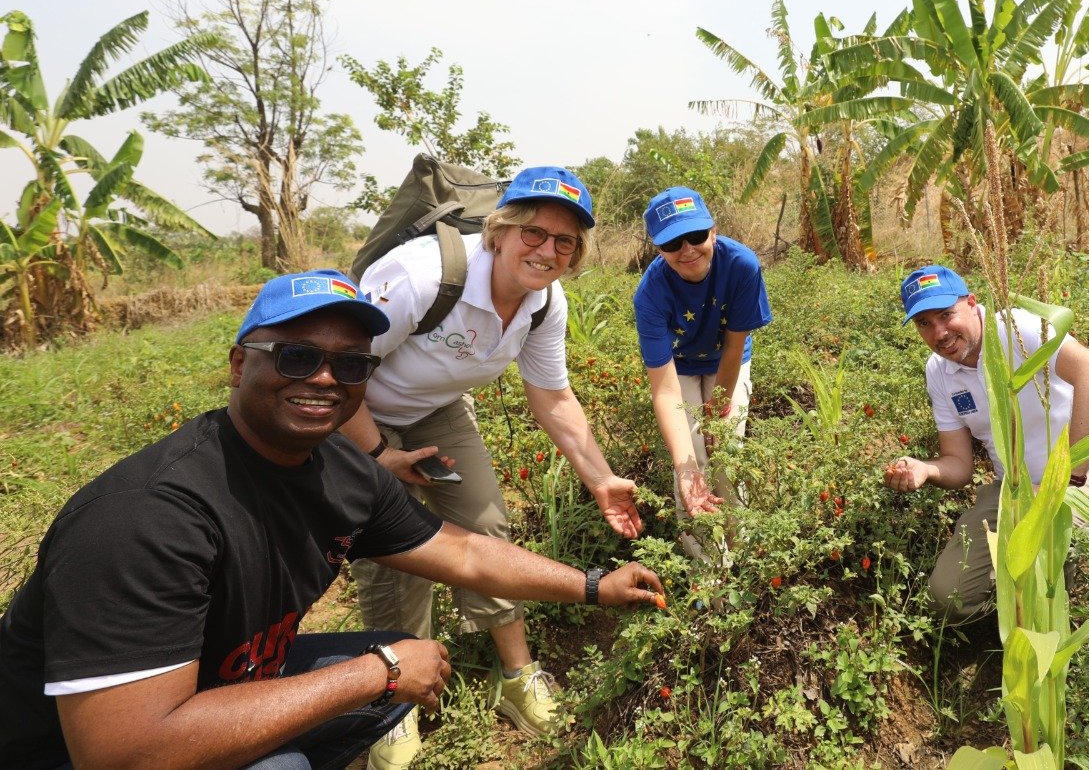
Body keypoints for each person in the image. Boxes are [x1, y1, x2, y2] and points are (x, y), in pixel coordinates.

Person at [0, 269, 662, 770]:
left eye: (350, 364)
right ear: (239, 364)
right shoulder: (145, 517)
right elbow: (125, 754)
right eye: (296, 356)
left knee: (389, 678)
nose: (324, 378)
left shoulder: (339, 469)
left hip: (214, 681)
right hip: (70, 749)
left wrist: (594, 585)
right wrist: (377, 671)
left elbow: (462, 553)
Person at [337, 166, 640, 744]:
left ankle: (517, 676)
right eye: (534, 232)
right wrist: (377, 454)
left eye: (565, 241)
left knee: (486, 524)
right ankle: (394, 697)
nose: (547, 250)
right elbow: (339, 370)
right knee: (395, 550)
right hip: (356, 411)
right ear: (499, 232)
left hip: (435, 408)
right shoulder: (420, 277)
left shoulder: (544, 303)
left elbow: (552, 396)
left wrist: (600, 478)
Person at [883, 266, 1089, 623]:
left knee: (1040, 559)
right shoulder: (939, 371)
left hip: (1087, 475)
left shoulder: (1016, 329)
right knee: (947, 598)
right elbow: (958, 464)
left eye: (946, 315)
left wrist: (1065, 479)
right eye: (924, 323)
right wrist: (925, 469)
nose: (939, 333)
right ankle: (1009, 626)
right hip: (1012, 490)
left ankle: (1057, 615)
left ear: (971, 303)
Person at [631, 187, 771, 547]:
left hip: (727, 360)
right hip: (678, 367)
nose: (687, 250)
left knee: (725, 449)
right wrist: (686, 466)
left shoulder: (741, 265)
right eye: (672, 243)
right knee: (691, 458)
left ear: (713, 232)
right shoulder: (650, 293)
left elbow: (734, 345)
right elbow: (664, 390)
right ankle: (705, 563)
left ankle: (740, 548)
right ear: (658, 249)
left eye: (695, 236)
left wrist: (716, 410)